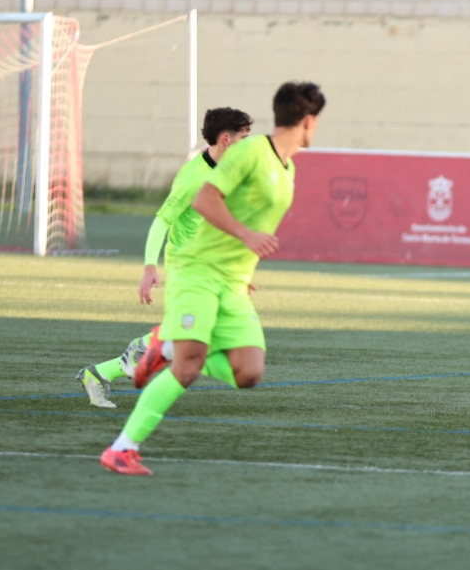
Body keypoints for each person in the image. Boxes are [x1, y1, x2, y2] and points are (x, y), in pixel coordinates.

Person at [100, 82, 325, 476]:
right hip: (198, 271)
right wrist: (246, 236)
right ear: (308, 121)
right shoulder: (251, 152)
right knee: (189, 367)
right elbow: (205, 200)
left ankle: (167, 346)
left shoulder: (286, 167)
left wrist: (244, 271)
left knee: (249, 372)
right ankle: (122, 448)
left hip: (232, 282)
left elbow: (251, 221)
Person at [77, 107, 253, 409]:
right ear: (226, 139)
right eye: (244, 138)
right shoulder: (194, 178)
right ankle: (134, 355)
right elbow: (162, 221)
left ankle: (107, 369)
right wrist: (149, 266)